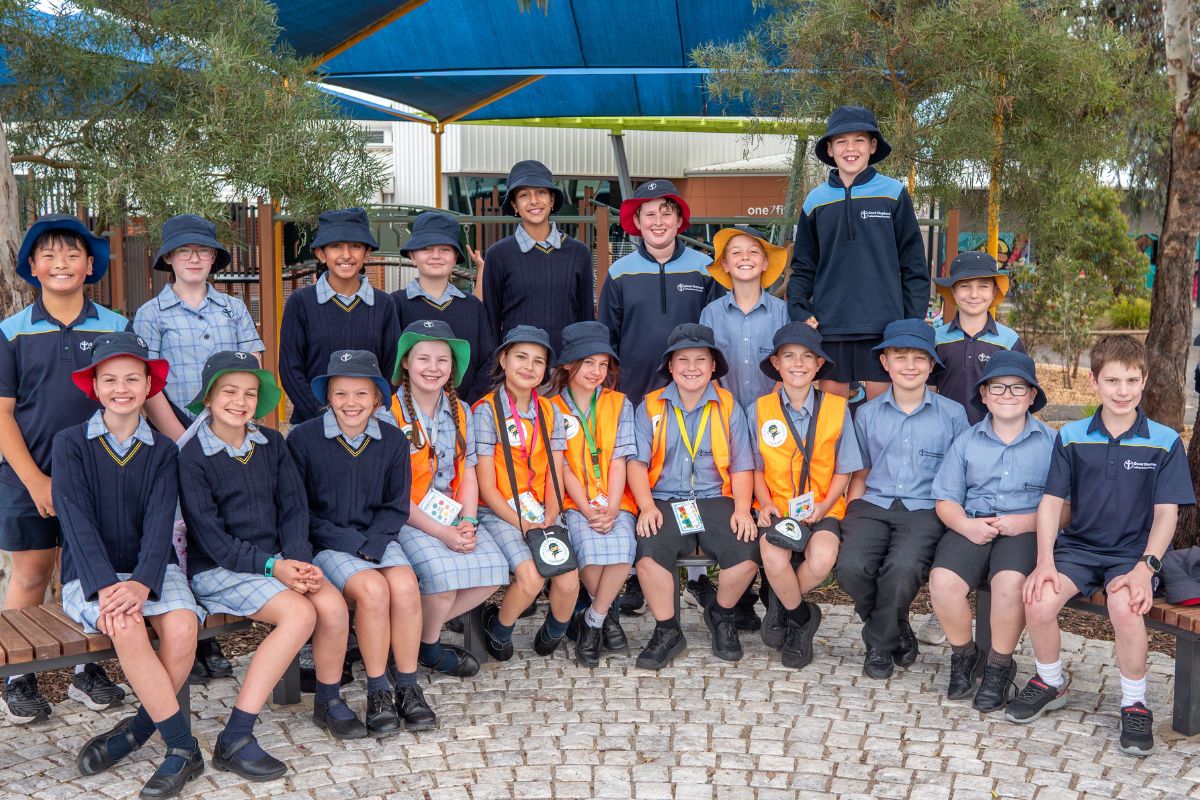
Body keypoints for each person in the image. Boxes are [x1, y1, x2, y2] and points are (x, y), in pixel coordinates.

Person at [0, 214, 179, 722]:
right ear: (32, 265)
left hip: (102, 477)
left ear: (90, 266)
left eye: (72, 254)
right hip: (25, 475)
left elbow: (143, 398)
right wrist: (36, 480)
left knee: (94, 569)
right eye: (49, 255)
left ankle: (88, 672)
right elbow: (2, 413)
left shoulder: (116, 326)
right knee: (32, 573)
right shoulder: (11, 333)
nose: (61, 263)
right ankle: (18, 678)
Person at [1007, 335, 1195, 757]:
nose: (1122, 391)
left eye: (1131, 380)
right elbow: (1052, 502)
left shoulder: (1165, 442)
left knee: (1124, 607)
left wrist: (1146, 568)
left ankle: (1134, 701)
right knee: (1037, 600)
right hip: (1078, 549)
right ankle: (1051, 681)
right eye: (1112, 381)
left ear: (1145, 381)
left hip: (1133, 554)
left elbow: (1168, 514)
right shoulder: (1071, 436)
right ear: (1094, 382)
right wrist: (1044, 561)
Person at [179, 352, 351, 779]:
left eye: (250, 394)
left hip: (279, 561)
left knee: (331, 605)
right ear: (208, 398)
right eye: (230, 392)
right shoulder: (193, 456)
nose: (240, 401)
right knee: (299, 614)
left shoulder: (272, 443)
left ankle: (328, 700)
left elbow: (294, 509)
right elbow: (212, 538)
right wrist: (275, 567)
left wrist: (298, 562)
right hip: (220, 567)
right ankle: (235, 736)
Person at [57, 332, 205, 797]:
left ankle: (136, 731)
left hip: (152, 569)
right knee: (125, 624)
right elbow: (76, 522)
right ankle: (182, 748)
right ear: (95, 387)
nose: (122, 388)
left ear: (148, 387)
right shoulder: (70, 444)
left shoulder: (163, 450)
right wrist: (107, 588)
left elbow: (161, 522)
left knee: (182, 627)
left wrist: (143, 581)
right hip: (90, 572)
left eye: (133, 379)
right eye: (110, 379)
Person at [134, 212, 264, 684]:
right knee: (183, 532)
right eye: (184, 251)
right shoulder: (151, 314)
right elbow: (146, 385)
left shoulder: (232, 310)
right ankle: (191, 635)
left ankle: (215, 635)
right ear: (169, 258)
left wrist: (230, 423)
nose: (194, 258)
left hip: (226, 426)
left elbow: (250, 368)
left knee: (220, 523)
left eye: (203, 251)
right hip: (177, 430)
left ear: (214, 259)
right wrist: (181, 437)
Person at [288, 350, 437, 735]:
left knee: (404, 586)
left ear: (376, 399)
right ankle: (377, 691)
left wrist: (373, 543)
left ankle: (407, 685)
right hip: (329, 542)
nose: (350, 403)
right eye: (340, 394)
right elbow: (299, 510)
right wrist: (353, 544)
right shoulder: (303, 439)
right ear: (328, 397)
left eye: (361, 395)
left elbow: (395, 505)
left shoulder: (391, 440)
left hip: (377, 536)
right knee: (372, 589)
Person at [597, 179, 724, 614]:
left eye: (665, 213)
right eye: (648, 214)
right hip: (634, 392)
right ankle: (638, 571)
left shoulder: (705, 270)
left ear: (678, 220)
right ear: (635, 222)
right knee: (642, 481)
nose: (657, 221)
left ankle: (698, 576)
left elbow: (714, 334)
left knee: (693, 473)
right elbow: (607, 338)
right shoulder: (619, 273)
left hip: (691, 392)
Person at [836, 319, 968, 679]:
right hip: (873, 504)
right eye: (900, 356)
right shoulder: (866, 414)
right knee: (850, 565)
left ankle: (879, 645)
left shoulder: (953, 415)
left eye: (919, 357)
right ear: (885, 363)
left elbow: (960, 476)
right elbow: (860, 473)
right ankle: (897, 627)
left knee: (903, 569)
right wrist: (852, 515)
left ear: (931, 364)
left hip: (926, 508)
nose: (909, 365)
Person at [626, 324, 759, 670]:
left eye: (701, 359)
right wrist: (645, 507)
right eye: (682, 360)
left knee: (745, 556)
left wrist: (743, 509)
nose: (692, 367)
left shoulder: (728, 406)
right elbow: (636, 464)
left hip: (716, 497)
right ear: (670, 367)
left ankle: (722, 613)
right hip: (666, 500)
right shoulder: (650, 406)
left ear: (713, 365)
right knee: (648, 556)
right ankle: (668, 630)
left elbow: (743, 464)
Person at [928, 351, 1054, 712]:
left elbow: (1065, 510)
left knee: (1008, 585)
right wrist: (966, 525)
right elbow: (945, 500)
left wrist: (1026, 522)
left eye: (1018, 388)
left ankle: (999, 666)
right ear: (983, 395)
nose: (1007, 395)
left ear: (1032, 395)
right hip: (972, 524)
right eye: (997, 388)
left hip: (1026, 529)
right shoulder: (967, 440)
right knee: (943, 583)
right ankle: (965, 655)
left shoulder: (1051, 444)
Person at [787, 106, 929, 401]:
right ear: (830, 148)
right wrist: (800, 311)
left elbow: (913, 264)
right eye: (841, 141)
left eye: (859, 140)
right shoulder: (816, 200)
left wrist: (910, 320)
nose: (850, 149)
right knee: (833, 421)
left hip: (884, 326)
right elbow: (803, 266)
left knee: (881, 417)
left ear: (873, 146)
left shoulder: (893, 193)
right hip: (830, 324)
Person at [391, 320, 507, 678]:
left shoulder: (462, 411)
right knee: (443, 583)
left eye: (443, 360)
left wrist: (469, 522)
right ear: (406, 363)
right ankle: (426, 646)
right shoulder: (388, 414)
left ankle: (415, 640)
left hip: (453, 510)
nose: (433, 368)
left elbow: (468, 470)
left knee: (493, 573)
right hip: (407, 514)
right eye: (423, 358)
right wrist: (442, 534)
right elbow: (392, 492)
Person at [750, 323, 862, 669]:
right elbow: (753, 466)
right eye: (789, 357)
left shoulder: (837, 408)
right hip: (778, 507)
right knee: (773, 557)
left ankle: (781, 602)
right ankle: (800, 619)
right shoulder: (759, 409)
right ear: (777, 364)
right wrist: (766, 502)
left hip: (824, 507)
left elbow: (846, 469)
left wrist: (825, 505)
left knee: (822, 559)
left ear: (817, 366)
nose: (797, 364)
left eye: (806, 357)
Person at [474, 326, 578, 660]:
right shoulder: (485, 411)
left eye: (537, 361)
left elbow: (556, 470)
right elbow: (487, 488)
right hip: (499, 511)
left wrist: (551, 513)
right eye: (520, 357)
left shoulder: (551, 411)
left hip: (540, 508)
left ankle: (556, 629)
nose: (528, 367)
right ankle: (500, 627)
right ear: (503, 359)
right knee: (531, 578)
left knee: (567, 576)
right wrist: (523, 523)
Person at [547, 321, 638, 666]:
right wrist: (587, 510)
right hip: (574, 501)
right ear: (569, 364)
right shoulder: (551, 406)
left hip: (615, 498)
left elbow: (618, 459)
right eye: (588, 363)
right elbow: (563, 467)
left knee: (621, 548)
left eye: (603, 364)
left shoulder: (619, 404)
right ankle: (605, 616)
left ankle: (593, 620)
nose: (597, 372)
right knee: (588, 550)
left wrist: (613, 508)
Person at [279, 207, 401, 424]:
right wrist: (323, 416)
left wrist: (367, 412)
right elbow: (290, 369)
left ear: (367, 253)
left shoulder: (384, 304)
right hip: (312, 423)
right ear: (321, 254)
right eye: (336, 246)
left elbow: (392, 368)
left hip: (370, 423)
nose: (346, 255)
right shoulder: (301, 302)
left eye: (355, 246)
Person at [480, 160, 593, 353]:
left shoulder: (578, 253)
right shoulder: (498, 254)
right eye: (524, 195)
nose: (533, 201)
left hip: (565, 367)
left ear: (552, 200)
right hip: (519, 368)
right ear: (514, 204)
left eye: (541, 192)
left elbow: (586, 318)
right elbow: (491, 322)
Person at [392, 212, 494, 403]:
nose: (436, 256)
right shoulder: (395, 304)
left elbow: (488, 362)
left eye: (445, 250)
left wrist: (470, 404)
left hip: (465, 414)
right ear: (412, 256)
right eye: (426, 249)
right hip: (407, 417)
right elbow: (389, 362)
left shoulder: (473, 307)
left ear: (455, 257)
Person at [699, 225, 789, 411]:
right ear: (725, 264)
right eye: (736, 252)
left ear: (765, 263)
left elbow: (789, 366)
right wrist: (725, 409)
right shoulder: (711, 313)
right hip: (724, 412)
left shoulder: (782, 312)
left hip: (774, 412)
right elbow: (705, 366)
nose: (745, 257)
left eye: (754, 252)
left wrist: (769, 406)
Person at [932, 251, 1026, 426]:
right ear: (953, 291)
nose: (974, 294)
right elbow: (928, 393)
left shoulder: (1009, 341)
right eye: (965, 286)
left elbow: (1020, 397)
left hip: (995, 438)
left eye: (983, 286)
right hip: (945, 435)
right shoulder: (936, 339)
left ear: (994, 292)